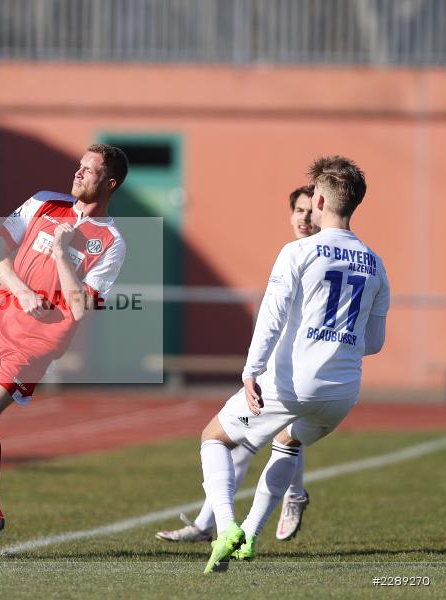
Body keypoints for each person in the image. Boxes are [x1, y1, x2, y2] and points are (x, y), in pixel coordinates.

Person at [0, 144, 129, 560]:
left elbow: (80, 307)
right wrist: (21, 292)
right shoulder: (43, 202)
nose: (78, 174)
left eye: (89, 170)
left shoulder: (111, 241)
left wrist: (62, 253)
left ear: (109, 183)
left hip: (37, 342)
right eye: (79, 166)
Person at [200, 156, 389, 573]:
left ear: (319, 199)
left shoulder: (298, 250)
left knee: (214, 438)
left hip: (291, 383)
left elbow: (271, 316)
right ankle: (250, 535)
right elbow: (373, 343)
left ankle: (228, 527)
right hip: (341, 393)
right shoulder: (376, 263)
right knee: (288, 442)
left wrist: (252, 371)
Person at [156, 184, 320, 544]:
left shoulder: (322, 260)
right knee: (243, 446)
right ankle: (207, 524)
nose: (305, 218)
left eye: (311, 210)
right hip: (277, 372)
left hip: (300, 374)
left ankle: (291, 495)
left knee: (270, 438)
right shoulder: (293, 253)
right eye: (299, 211)